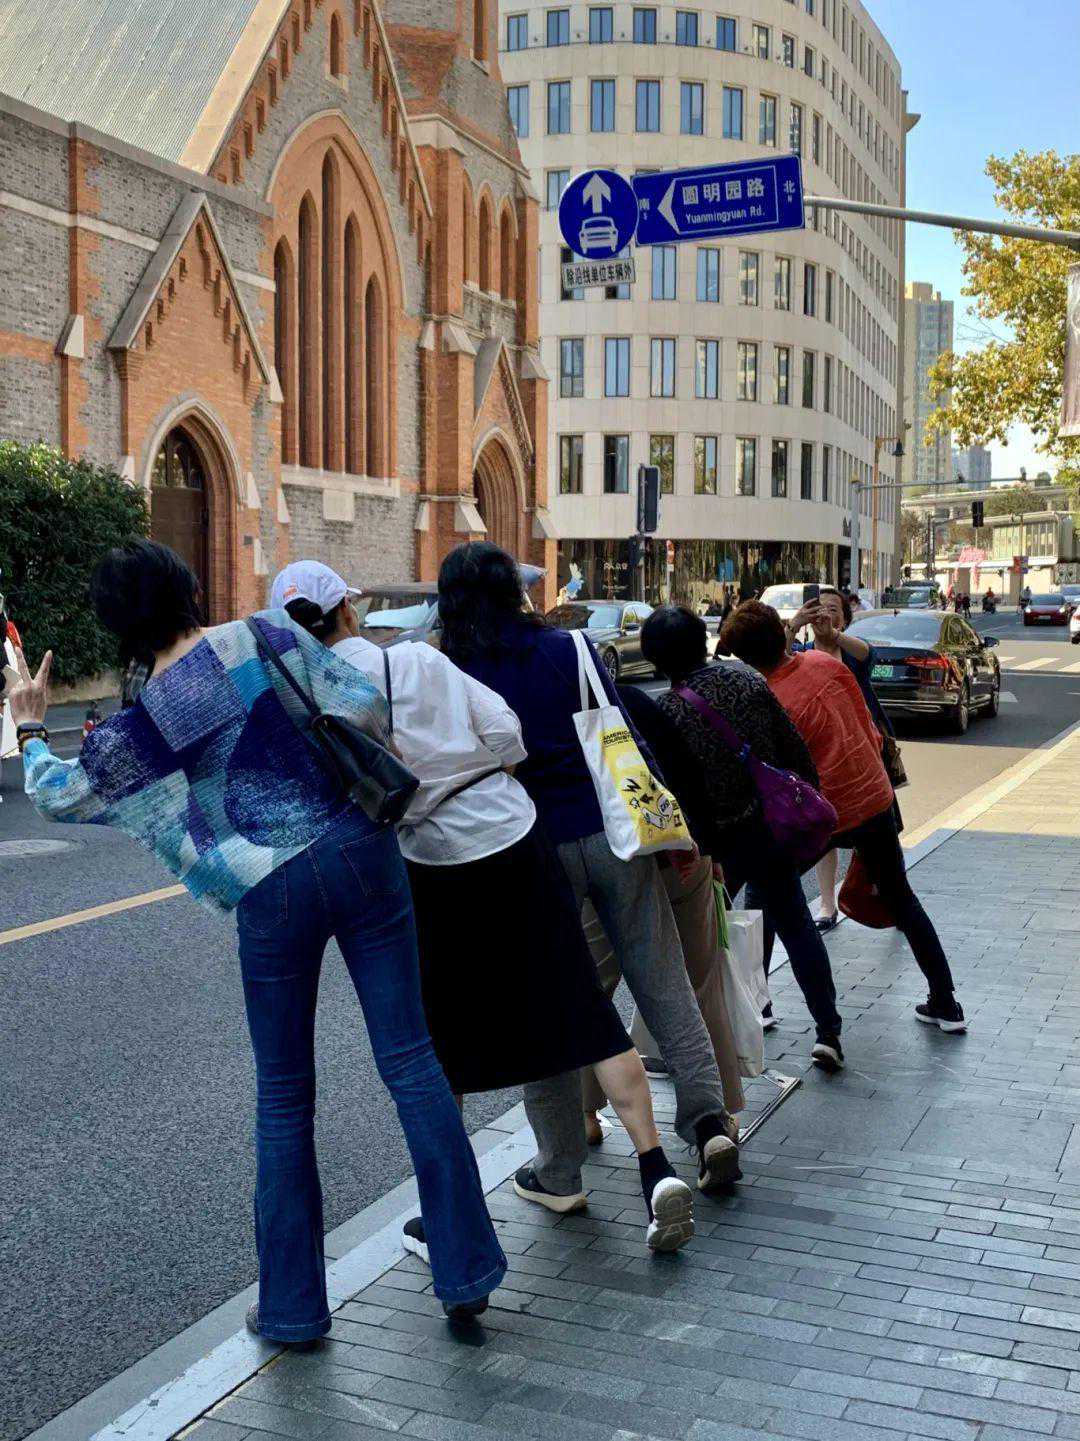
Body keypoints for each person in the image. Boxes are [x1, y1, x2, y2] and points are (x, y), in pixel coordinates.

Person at [13, 539, 508, 1339]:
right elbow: (363, 705)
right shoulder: (265, 634)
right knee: (413, 1060)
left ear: (118, 625)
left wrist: (32, 727)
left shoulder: (143, 722)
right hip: (360, 848)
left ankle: (292, 1309)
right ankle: (465, 1270)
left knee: (283, 1094)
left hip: (269, 889)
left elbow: (60, 796)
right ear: (186, 588)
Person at [272, 562, 694, 1254]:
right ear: (347, 608)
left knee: (443, 1039)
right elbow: (506, 731)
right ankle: (657, 1170)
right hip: (513, 837)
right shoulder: (415, 659)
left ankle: (450, 1215)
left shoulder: (312, 703)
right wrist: (484, 774)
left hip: (431, 864)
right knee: (582, 1004)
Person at [438, 543, 741, 1206]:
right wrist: (670, 827)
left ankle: (560, 1167)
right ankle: (709, 1125)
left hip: (528, 851)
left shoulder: (453, 669)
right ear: (514, 591)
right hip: (612, 833)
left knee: (546, 1006)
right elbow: (625, 738)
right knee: (664, 982)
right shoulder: (571, 648)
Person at [722, 602, 966, 1036]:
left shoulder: (768, 699)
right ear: (780, 635)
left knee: (764, 897)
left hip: (817, 813)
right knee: (902, 899)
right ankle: (946, 1003)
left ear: (743, 658)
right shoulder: (826, 665)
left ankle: (760, 1005)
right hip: (871, 796)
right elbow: (869, 728)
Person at [639, 606, 844, 1071]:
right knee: (796, 926)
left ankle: (692, 1043)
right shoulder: (747, 682)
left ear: (656, 659)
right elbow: (794, 750)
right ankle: (828, 1032)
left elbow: (670, 792)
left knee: (699, 939)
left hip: (714, 845)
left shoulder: (666, 710)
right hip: (767, 829)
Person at [580, 680, 746, 1133]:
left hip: (605, 865)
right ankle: (718, 1117)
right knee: (698, 984)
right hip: (678, 856)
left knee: (591, 991)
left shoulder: (546, 720)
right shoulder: (634, 702)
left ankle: (585, 1113)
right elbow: (691, 778)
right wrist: (709, 852)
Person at [784, 588, 894, 933]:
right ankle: (827, 904)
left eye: (833, 609)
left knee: (878, 833)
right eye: (818, 608)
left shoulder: (850, 650)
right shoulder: (800, 653)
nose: (825, 614)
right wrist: (794, 624)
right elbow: (775, 659)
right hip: (820, 758)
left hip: (864, 756)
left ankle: (894, 899)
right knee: (824, 833)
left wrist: (834, 636)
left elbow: (869, 655)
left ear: (845, 619)